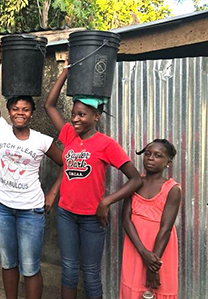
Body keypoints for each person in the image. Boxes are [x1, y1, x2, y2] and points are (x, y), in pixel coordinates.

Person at [44, 60, 142, 299]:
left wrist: (107, 202)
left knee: (90, 272)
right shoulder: (68, 134)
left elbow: (136, 179)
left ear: (96, 116)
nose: (75, 119)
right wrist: (66, 71)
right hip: (66, 213)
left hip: (92, 219)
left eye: (82, 115)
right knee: (68, 270)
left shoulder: (106, 144)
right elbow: (49, 105)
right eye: (74, 114)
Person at [0, 43, 63, 299]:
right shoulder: (1, 129)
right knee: (8, 262)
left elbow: (67, 164)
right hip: (2, 208)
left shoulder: (41, 140)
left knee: (30, 267)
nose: (19, 113)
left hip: (31, 211)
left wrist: (52, 195)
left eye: (25, 110)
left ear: (31, 114)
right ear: (9, 112)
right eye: (15, 109)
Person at [120, 139, 181, 299]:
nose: (150, 158)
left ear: (168, 162)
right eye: (147, 154)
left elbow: (166, 228)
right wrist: (143, 253)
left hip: (160, 252)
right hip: (136, 246)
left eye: (157, 155)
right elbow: (126, 219)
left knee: (156, 291)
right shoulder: (135, 183)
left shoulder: (172, 189)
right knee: (133, 289)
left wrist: (153, 265)